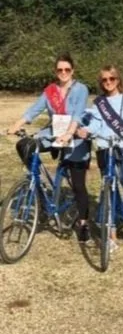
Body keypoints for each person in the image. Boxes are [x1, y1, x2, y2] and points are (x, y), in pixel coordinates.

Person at [7, 54, 92, 243]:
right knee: (24, 145)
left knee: (78, 185)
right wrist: (16, 124)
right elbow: (33, 110)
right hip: (54, 133)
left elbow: (77, 115)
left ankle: (83, 224)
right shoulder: (50, 91)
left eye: (67, 70)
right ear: (55, 72)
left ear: (73, 71)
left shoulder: (81, 89)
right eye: (59, 70)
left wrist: (69, 134)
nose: (63, 73)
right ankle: (39, 184)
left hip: (75, 136)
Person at [77, 65, 123, 253]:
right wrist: (87, 130)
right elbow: (95, 124)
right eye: (104, 80)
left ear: (118, 80)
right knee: (109, 192)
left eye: (112, 79)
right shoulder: (99, 103)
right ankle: (112, 237)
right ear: (101, 83)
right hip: (105, 150)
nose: (108, 82)